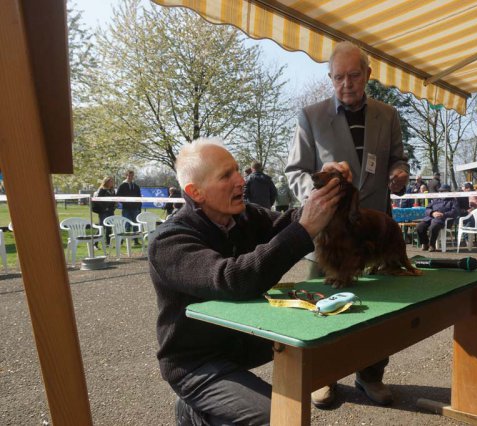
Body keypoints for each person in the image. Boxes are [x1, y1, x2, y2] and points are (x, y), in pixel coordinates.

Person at [148, 137, 342, 425]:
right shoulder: (168, 241)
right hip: (195, 363)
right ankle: (196, 410)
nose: (241, 181)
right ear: (196, 192)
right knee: (280, 419)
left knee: (323, 355)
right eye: (226, 175)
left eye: (238, 170)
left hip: (238, 348)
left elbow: (290, 221)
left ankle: (199, 410)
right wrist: (304, 229)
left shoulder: (245, 217)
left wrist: (326, 187)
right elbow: (232, 278)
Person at [285, 40, 409, 408]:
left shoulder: (388, 115)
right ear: (330, 78)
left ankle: (371, 376)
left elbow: (398, 159)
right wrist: (319, 185)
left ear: (368, 75)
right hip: (325, 235)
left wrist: (399, 172)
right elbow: (294, 173)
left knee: (380, 312)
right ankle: (322, 377)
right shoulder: (310, 115)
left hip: (373, 235)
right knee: (318, 306)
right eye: (338, 77)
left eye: (354, 75)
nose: (346, 83)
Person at [416, 184, 458, 251]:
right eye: (440, 191)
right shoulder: (435, 199)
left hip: (443, 219)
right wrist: (432, 213)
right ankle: (425, 244)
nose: (441, 192)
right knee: (419, 226)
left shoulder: (453, 201)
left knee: (433, 226)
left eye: (443, 191)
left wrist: (443, 214)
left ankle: (432, 245)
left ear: (448, 192)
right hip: (430, 218)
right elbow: (427, 209)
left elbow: (455, 212)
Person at [116, 170, 142, 244]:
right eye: (129, 175)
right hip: (126, 208)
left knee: (136, 224)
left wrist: (139, 207)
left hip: (135, 208)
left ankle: (136, 240)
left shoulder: (136, 186)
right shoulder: (122, 185)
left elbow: (139, 197)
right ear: (126, 176)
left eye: (132, 175)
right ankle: (123, 240)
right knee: (126, 224)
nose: (130, 177)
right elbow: (118, 196)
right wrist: (125, 202)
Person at [93, 177, 117, 243]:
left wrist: (113, 207)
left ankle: (108, 243)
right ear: (106, 182)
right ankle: (95, 243)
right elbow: (98, 200)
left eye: (112, 181)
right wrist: (104, 208)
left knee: (109, 227)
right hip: (103, 212)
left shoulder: (113, 190)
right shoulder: (102, 190)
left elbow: (114, 200)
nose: (112, 183)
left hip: (111, 211)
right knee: (102, 227)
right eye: (110, 181)